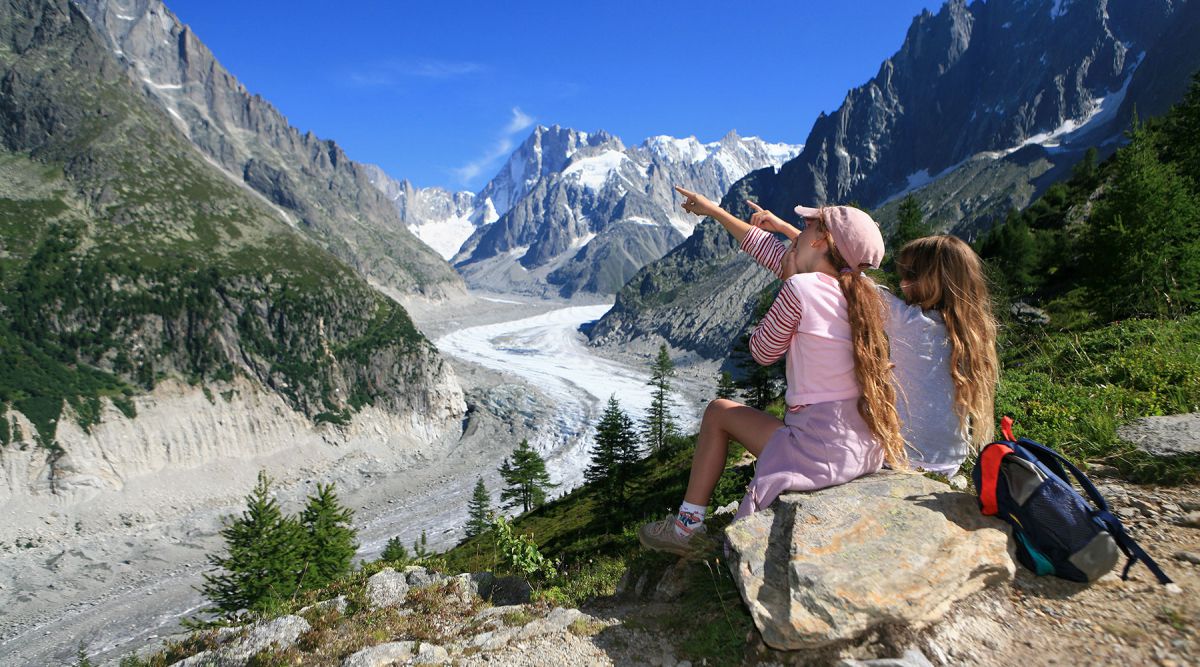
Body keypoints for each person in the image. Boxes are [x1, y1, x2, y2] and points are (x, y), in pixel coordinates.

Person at [637, 186, 905, 556]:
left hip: (819, 448)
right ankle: (688, 526)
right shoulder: (864, 292)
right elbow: (809, 256)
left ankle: (686, 528)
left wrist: (790, 278)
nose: (801, 228)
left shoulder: (799, 287)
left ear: (821, 241)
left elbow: (762, 352)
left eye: (810, 226)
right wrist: (716, 212)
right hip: (864, 448)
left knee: (718, 412)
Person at [886, 235, 1000, 474]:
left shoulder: (909, 321)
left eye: (909, 275)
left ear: (930, 281)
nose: (902, 282)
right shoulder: (973, 330)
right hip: (950, 462)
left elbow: (853, 282)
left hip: (904, 457)